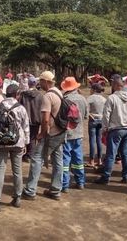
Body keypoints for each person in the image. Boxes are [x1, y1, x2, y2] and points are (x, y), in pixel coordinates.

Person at [0, 84, 30, 211]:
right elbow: (26, 126)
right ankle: (17, 198)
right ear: (17, 95)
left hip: (1, 142)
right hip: (17, 142)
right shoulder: (21, 108)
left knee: (0, 170)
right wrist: (26, 143)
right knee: (17, 170)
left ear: (5, 94)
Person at [22, 71, 65, 200]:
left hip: (50, 133)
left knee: (36, 159)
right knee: (58, 161)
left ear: (46, 81)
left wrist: (42, 133)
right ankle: (56, 190)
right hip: (60, 132)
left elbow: (45, 119)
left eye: (41, 81)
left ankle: (30, 190)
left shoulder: (48, 96)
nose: (39, 83)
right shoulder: (59, 93)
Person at [95, 77, 127, 185]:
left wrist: (104, 128)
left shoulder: (112, 98)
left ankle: (106, 177)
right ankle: (126, 176)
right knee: (126, 153)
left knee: (111, 154)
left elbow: (106, 115)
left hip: (115, 129)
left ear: (115, 85)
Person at [60, 77, 88, 191]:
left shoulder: (64, 99)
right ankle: (80, 182)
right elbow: (86, 115)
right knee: (78, 159)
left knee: (65, 160)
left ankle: (64, 185)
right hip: (79, 133)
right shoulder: (83, 99)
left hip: (67, 134)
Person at [19, 76, 43, 162]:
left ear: (28, 84)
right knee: (33, 137)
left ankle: (27, 154)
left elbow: (20, 106)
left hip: (25, 119)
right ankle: (30, 154)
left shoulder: (23, 95)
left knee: (25, 136)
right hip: (36, 119)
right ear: (35, 84)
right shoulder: (40, 95)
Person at [87, 83, 106, 168]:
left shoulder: (90, 98)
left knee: (92, 140)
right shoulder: (104, 99)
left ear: (94, 90)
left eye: (91, 89)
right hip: (101, 120)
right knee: (99, 140)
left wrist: (90, 115)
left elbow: (86, 110)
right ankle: (100, 160)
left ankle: (91, 160)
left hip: (93, 120)